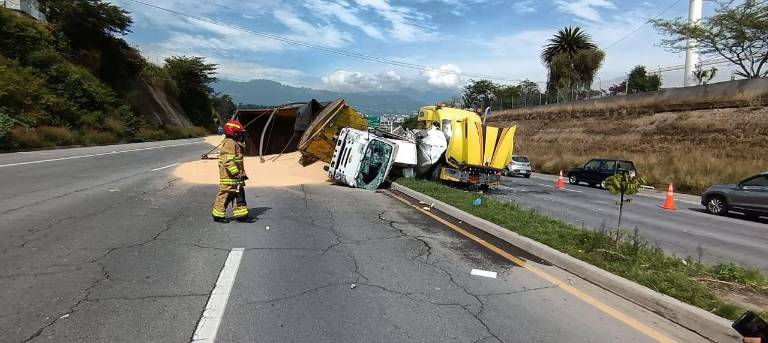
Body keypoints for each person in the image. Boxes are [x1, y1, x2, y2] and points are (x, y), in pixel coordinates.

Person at [211, 120, 255, 223]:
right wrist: (236, 173)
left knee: (239, 196)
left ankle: (241, 216)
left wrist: (240, 175)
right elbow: (227, 161)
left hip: (236, 178)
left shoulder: (234, 143)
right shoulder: (230, 143)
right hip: (229, 177)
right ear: (233, 133)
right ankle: (218, 216)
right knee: (226, 195)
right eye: (239, 133)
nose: (241, 135)